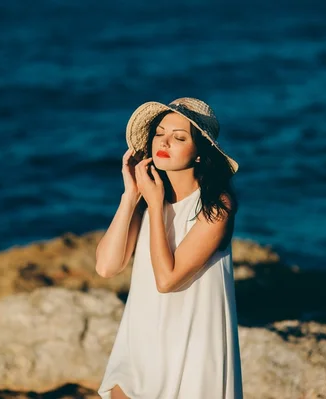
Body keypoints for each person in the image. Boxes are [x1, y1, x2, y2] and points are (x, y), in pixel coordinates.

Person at [95, 97, 244, 399]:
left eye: (179, 137)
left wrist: (153, 204)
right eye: (159, 134)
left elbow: (167, 279)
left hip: (189, 347)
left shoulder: (217, 207)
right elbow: (107, 267)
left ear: (200, 154)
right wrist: (130, 195)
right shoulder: (150, 197)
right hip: (140, 340)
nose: (164, 142)